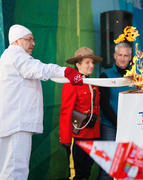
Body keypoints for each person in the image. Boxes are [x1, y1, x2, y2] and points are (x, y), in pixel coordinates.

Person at [0, 24, 82, 179]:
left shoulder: (8, 57)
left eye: (34, 40)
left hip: (11, 123)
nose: (33, 43)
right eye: (29, 39)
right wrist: (65, 71)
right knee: (16, 171)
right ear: (17, 41)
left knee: (7, 170)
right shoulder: (16, 55)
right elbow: (38, 69)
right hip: (17, 124)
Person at [59, 47, 102, 180]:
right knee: (76, 174)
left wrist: (97, 136)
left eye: (92, 62)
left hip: (92, 135)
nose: (91, 65)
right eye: (87, 63)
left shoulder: (93, 83)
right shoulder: (71, 84)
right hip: (77, 136)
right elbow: (66, 112)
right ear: (78, 65)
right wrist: (66, 138)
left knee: (86, 172)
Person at [98, 42, 135, 180]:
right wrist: (119, 122)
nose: (123, 58)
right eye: (120, 55)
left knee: (128, 165)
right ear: (114, 56)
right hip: (110, 125)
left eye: (126, 55)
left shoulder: (136, 76)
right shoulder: (105, 75)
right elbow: (104, 104)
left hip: (131, 127)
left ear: (130, 57)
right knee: (108, 164)